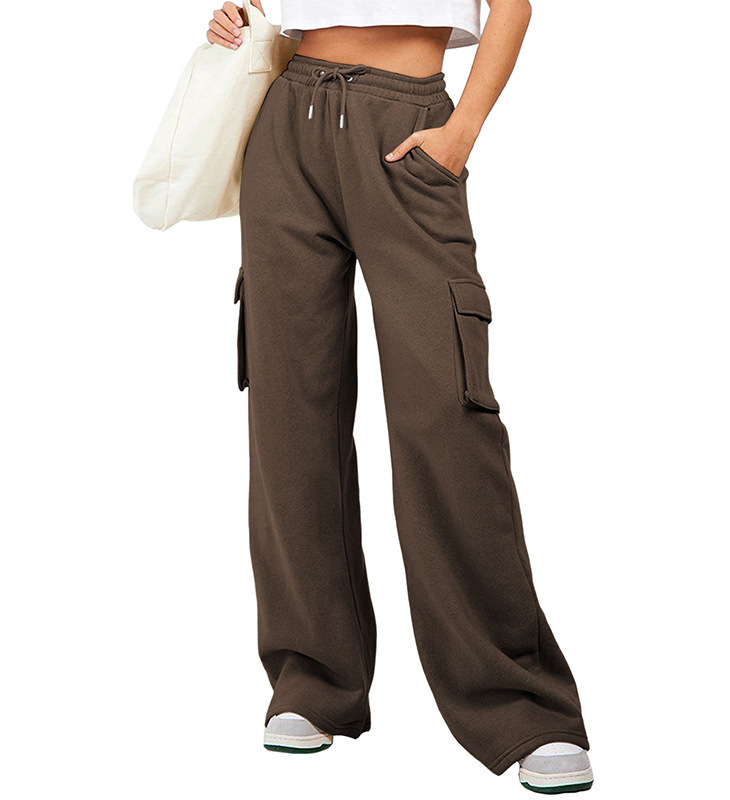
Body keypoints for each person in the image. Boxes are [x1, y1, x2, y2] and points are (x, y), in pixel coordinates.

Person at [206, 0, 593, 793]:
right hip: (289, 117)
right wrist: (235, 18)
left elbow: (512, 5)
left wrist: (462, 133)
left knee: (447, 415)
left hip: (409, 127)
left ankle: (520, 704)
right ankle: (312, 681)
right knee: (289, 413)